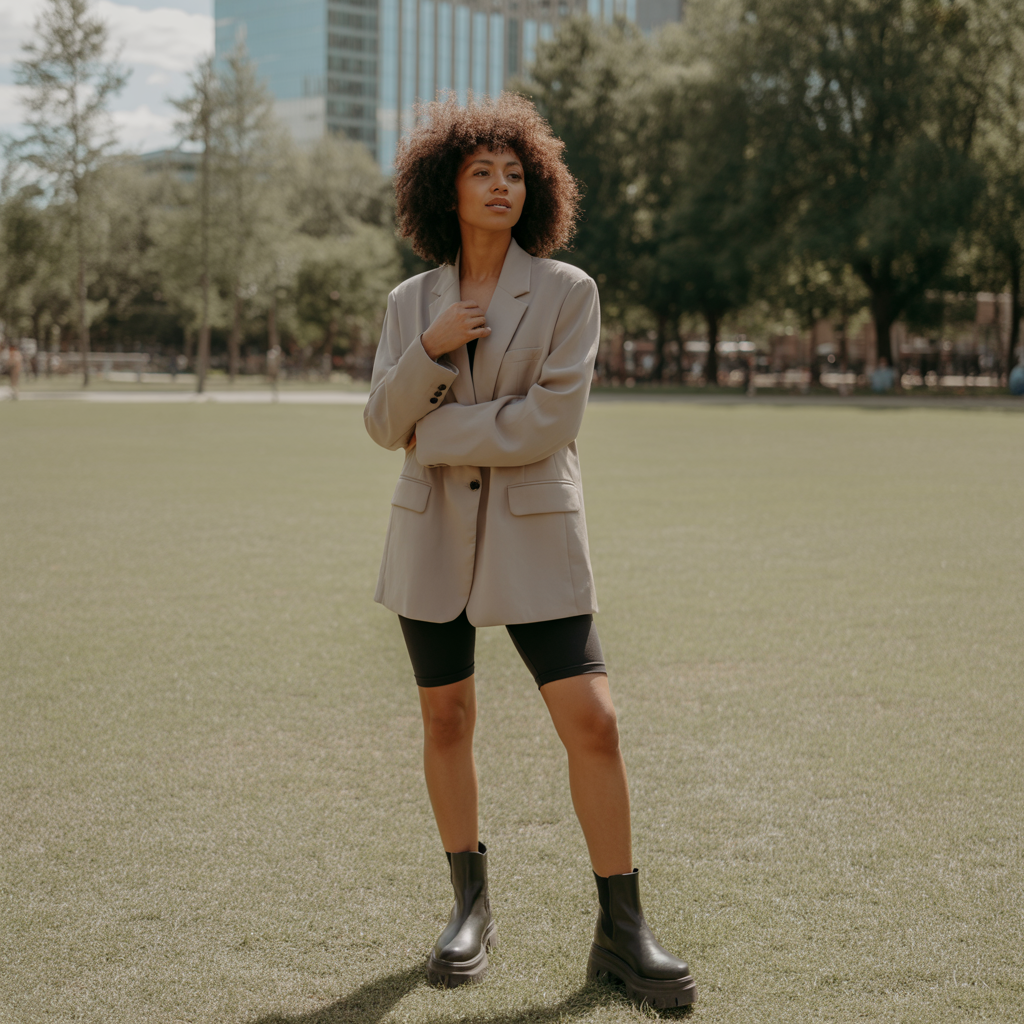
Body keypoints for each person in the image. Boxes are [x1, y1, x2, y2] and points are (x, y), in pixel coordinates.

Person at [363, 95, 696, 1010]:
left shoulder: (567, 292)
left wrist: (434, 433)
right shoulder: (409, 305)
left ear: (536, 188)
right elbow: (381, 421)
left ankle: (622, 929)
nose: (501, 185)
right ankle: (469, 908)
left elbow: (549, 421)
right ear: (446, 188)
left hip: (536, 534)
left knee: (595, 720)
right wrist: (429, 351)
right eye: (482, 172)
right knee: (446, 720)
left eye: (515, 173)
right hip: (431, 535)